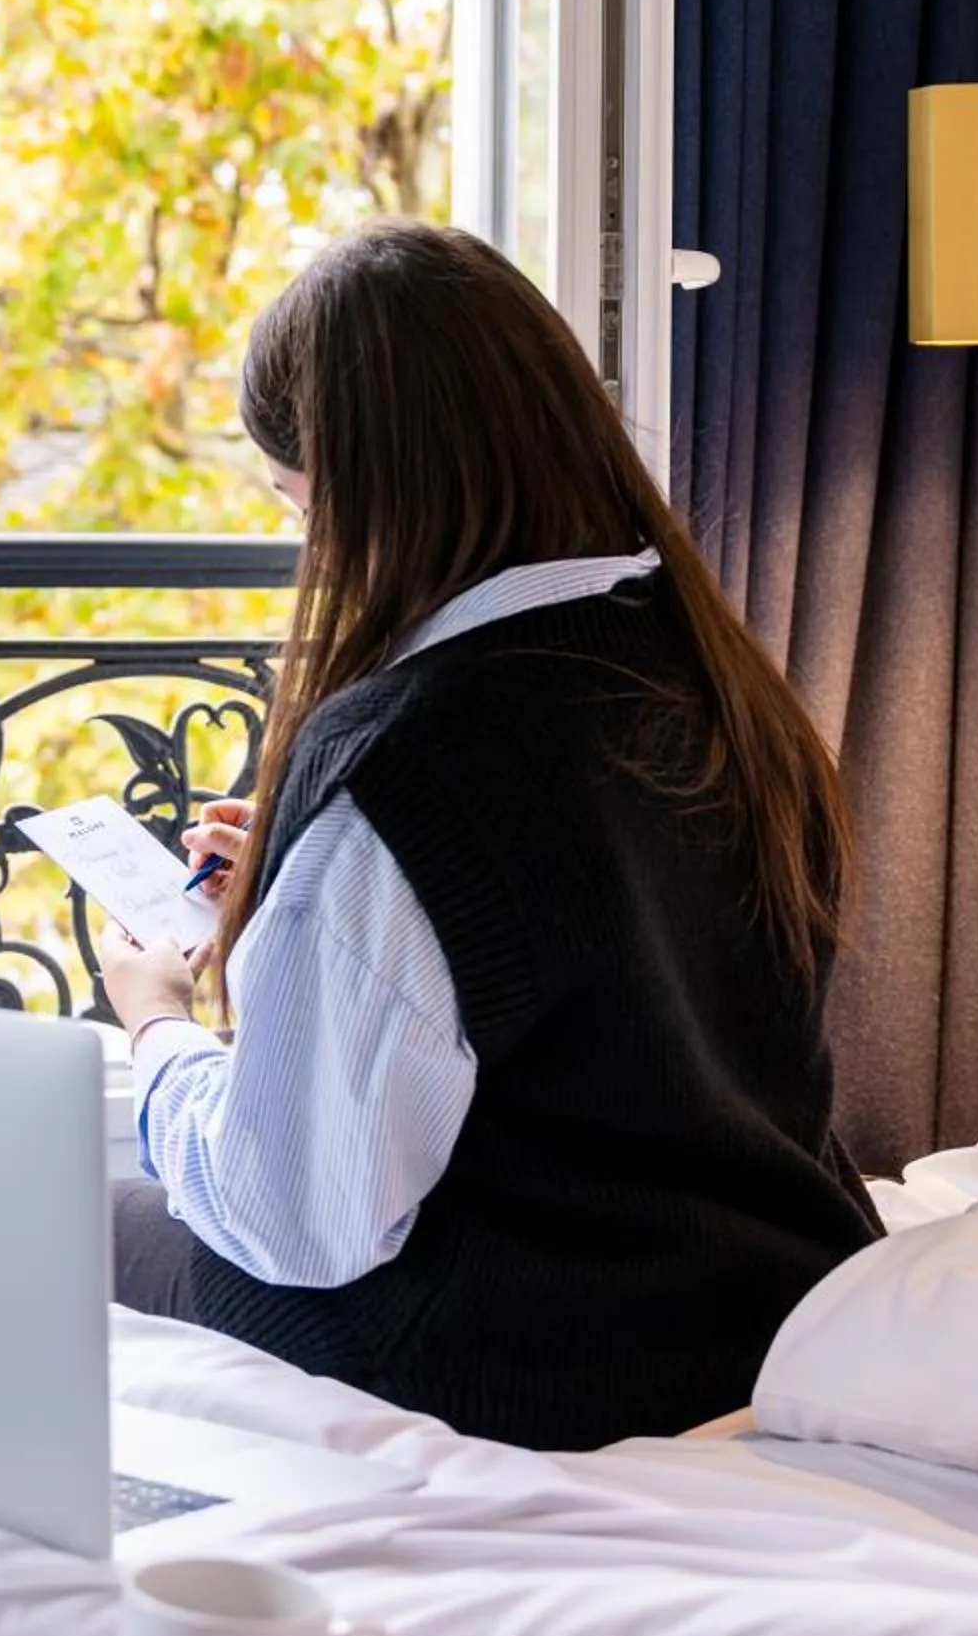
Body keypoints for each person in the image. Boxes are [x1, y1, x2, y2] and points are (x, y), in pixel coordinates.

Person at [100, 221, 881, 1449]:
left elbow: (298, 1214)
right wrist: (314, 883)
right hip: (755, 1310)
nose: (309, 550)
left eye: (298, 506)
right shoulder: (710, 677)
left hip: (522, 1358)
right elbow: (597, 946)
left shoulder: (410, 759)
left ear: (370, 498)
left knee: (43, 1205)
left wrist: (154, 1023)